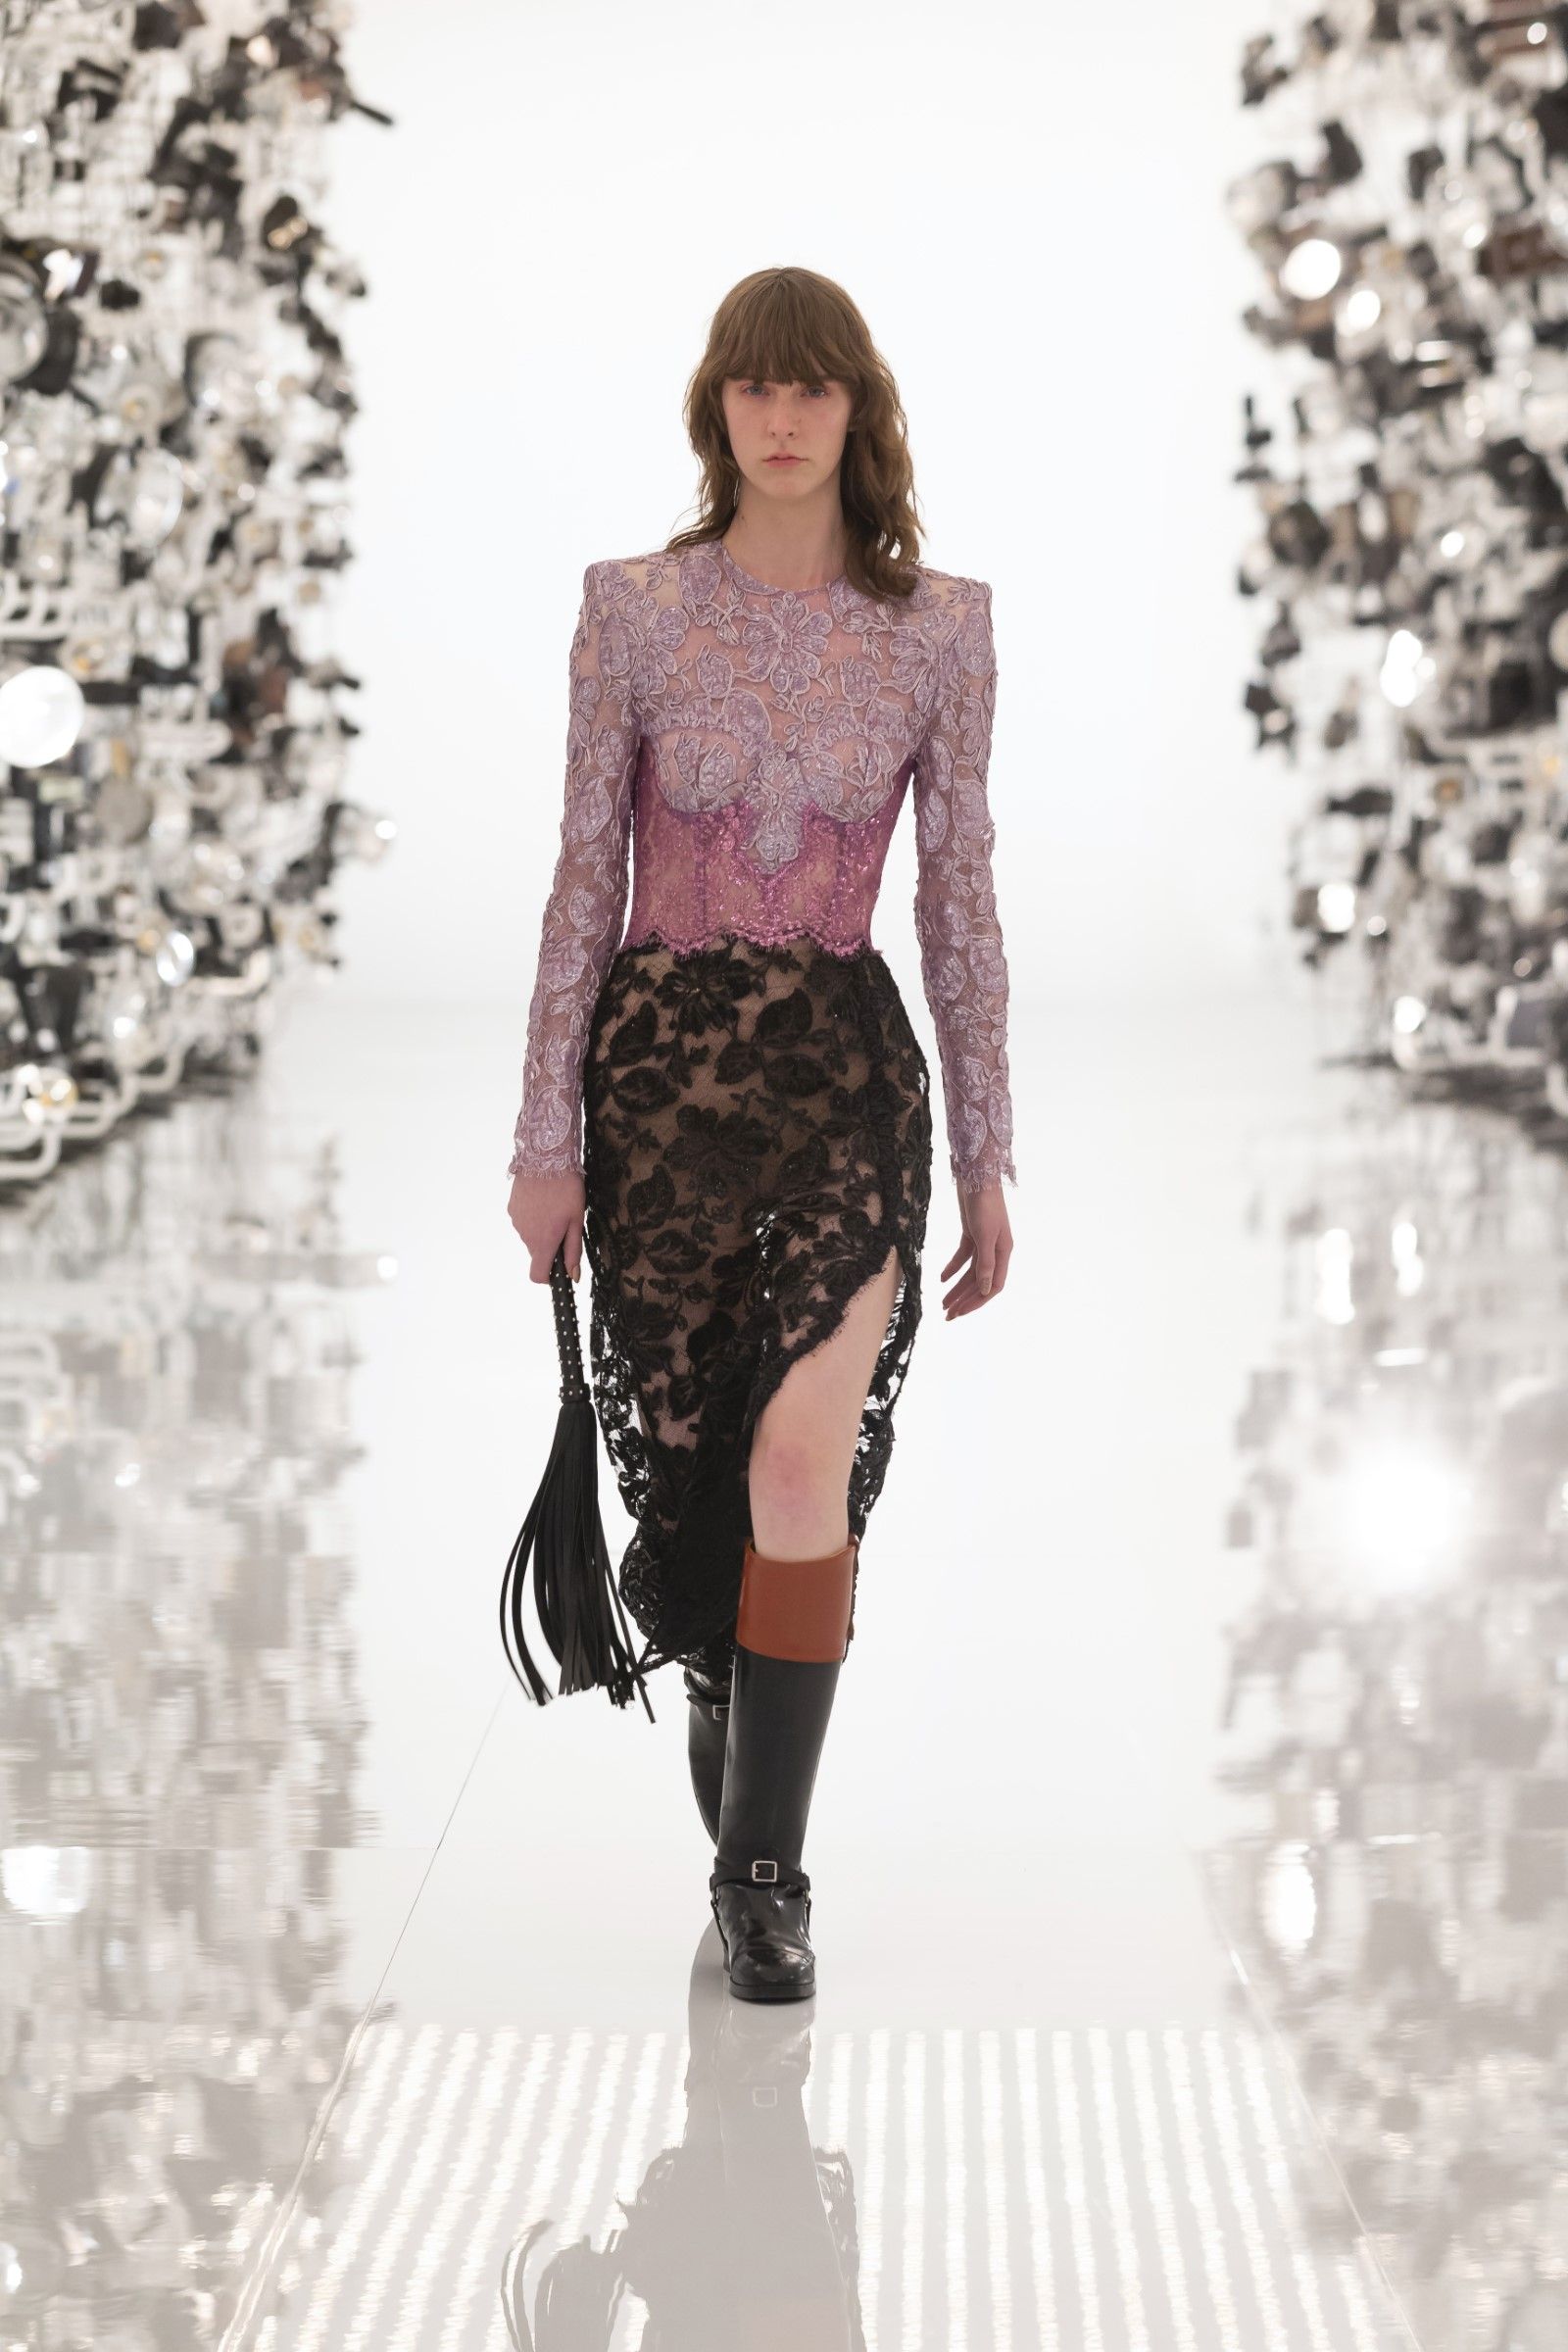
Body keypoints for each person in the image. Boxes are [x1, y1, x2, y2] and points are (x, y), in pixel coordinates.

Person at [506, 265, 1017, 2003]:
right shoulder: (634, 610)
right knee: (692, 1509)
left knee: (801, 1466)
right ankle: (734, 1714)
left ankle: (764, 1876)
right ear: (715, 408)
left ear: (859, 410)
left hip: (844, 1083)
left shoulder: (941, 627)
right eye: (754, 387)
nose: (783, 419)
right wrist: (542, 1137)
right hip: (659, 1088)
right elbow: (584, 878)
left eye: (814, 388)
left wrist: (992, 1148)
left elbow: (957, 901)